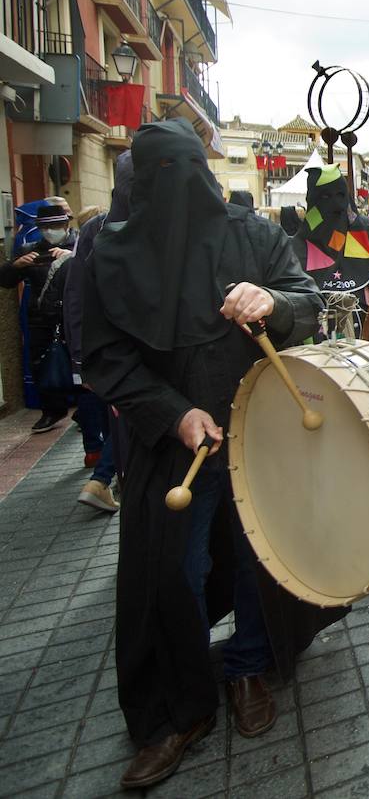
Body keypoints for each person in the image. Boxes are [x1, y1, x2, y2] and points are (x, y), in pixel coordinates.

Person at [82, 120, 343, 791]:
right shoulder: (104, 254)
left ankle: (249, 666)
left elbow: (310, 305)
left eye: (188, 170)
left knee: (262, 557)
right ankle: (181, 704)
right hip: (171, 449)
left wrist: (275, 302)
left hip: (260, 432)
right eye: (162, 175)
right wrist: (173, 414)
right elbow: (102, 355)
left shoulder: (251, 235)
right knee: (175, 570)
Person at [64, 156, 135, 512]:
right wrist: (83, 360)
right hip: (117, 357)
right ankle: (109, 481)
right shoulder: (96, 232)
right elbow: (77, 294)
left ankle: (106, 481)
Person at [290, 163, 369, 333]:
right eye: (324, 198)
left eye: (340, 195)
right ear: (311, 201)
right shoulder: (293, 249)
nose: (334, 204)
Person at [1, 202, 77, 432]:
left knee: (80, 365)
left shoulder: (80, 245)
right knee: (41, 365)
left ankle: (86, 410)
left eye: (55, 226)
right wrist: (15, 266)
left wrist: (72, 257)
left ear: (66, 225)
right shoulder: (29, 250)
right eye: (46, 227)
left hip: (74, 315)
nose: (51, 231)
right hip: (42, 318)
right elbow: (5, 281)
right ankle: (52, 411)